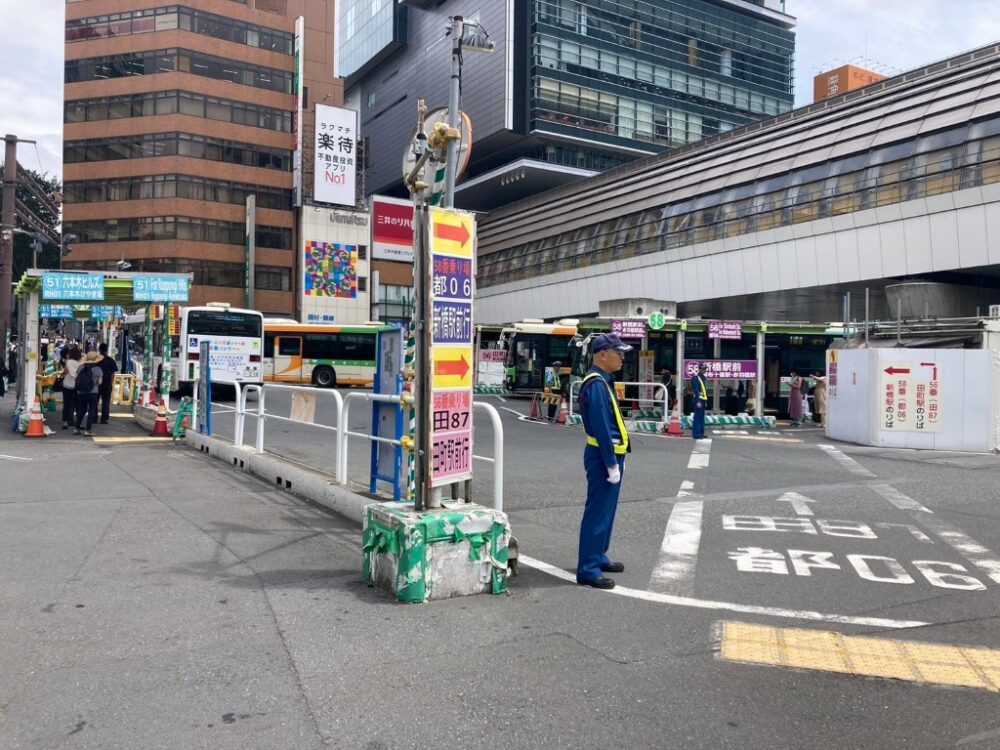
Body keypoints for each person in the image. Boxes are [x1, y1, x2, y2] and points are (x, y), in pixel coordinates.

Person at [576, 333, 632, 590]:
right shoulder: (597, 384)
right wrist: (610, 463)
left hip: (610, 455)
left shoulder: (604, 382)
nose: (622, 357)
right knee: (598, 513)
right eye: (618, 352)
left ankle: (598, 556)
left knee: (606, 513)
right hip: (602, 457)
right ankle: (588, 568)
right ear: (602, 355)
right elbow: (600, 426)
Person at [74, 351, 104, 436]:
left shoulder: (80, 367)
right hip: (93, 392)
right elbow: (100, 382)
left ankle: (77, 428)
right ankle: (88, 430)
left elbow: (75, 378)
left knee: (81, 410)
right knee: (91, 410)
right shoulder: (98, 369)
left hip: (81, 392)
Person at [96, 343, 119, 424]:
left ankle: (94, 418)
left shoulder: (96, 359)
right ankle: (104, 419)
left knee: (94, 402)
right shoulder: (110, 360)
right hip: (107, 384)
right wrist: (111, 383)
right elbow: (113, 373)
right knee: (105, 402)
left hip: (96, 384)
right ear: (106, 350)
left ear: (99, 349)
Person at [60, 346, 83, 429]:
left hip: (67, 385)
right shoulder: (81, 363)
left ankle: (65, 423)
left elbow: (66, 371)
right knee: (78, 405)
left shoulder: (68, 362)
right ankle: (79, 423)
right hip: (77, 386)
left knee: (66, 404)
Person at [691, 362, 709, 439]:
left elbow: (704, 391)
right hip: (698, 400)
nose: (704, 370)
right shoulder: (696, 378)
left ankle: (701, 433)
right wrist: (698, 401)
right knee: (698, 417)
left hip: (703, 400)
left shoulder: (703, 378)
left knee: (701, 417)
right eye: (702, 369)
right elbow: (696, 390)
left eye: (705, 369)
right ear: (699, 369)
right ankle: (697, 434)